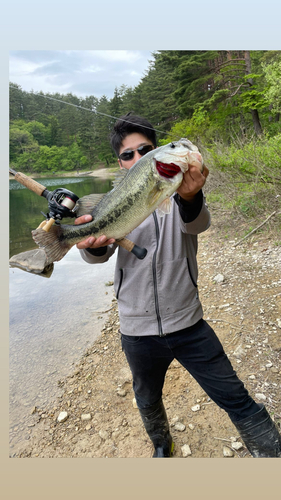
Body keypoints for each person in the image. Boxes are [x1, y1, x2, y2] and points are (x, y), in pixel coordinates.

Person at [75, 114, 281, 458]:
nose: (138, 157)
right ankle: (161, 444)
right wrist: (93, 243)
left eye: (146, 149)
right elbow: (98, 255)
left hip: (188, 324)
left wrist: (191, 196)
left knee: (234, 395)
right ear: (121, 163)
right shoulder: (114, 199)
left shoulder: (180, 191)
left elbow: (197, 222)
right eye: (129, 154)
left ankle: (271, 454)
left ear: (157, 152)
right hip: (136, 329)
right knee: (147, 396)